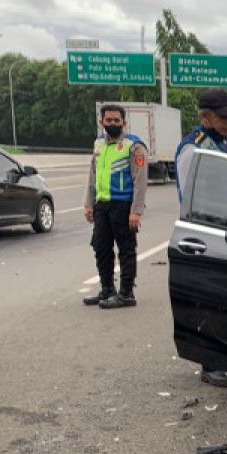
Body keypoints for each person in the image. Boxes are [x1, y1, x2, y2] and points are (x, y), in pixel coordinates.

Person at [174, 89, 227, 388]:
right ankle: (210, 363)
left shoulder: (224, 143)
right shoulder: (194, 148)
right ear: (204, 116)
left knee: (226, 298)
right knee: (208, 300)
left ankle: (225, 355)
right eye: (223, 116)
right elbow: (191, 197)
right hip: (206, 233)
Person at [82, 104, 148, 309]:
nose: (112, 124)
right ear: (101, 122)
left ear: (123, 122)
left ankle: (126, 293)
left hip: (123, 205)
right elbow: (92, 175)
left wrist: (136, 211)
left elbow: (140, 180)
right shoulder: (99, 144)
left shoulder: (133, 146)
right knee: (101, 247)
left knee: (126, 249)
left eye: (116, 121)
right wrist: (88, 204)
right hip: (102, 204)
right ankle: (107, 290)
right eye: (108, 120)